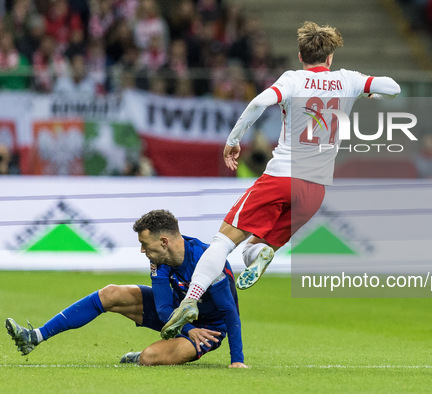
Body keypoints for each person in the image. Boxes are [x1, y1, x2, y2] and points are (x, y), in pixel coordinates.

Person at [160, 21, 401, 338]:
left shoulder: (294, 79)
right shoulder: (349, 80)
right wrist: (370, 93)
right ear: (329, 59)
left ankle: (191, 301)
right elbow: (393, 87)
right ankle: (257, 254)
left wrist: (233, 140)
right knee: (257, 245)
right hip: (314, 191)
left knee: (223, 241)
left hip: (282, 178)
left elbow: (259, 102)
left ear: (301, 56)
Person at [5, 210, 247, 368]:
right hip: (179, 315)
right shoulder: (158, 261)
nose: (142, 250)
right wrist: (187, 327)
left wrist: (237, 360)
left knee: (150, 357)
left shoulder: (207, 260)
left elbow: (229, 310)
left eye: (145, 244)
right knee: (111, 292)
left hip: (208, 329)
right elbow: (163, 309)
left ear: (163, 242)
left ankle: (139, 358)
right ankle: (35, 336)